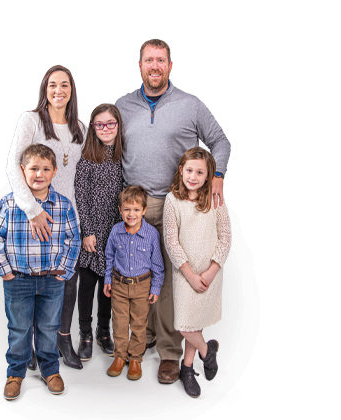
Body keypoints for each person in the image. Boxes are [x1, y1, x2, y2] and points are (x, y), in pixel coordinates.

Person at [115, 39, 232, 383]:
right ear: (140, 66)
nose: (155, 66)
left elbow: (221, 142)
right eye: (149, 60)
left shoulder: (189, 104)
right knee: (135, 273)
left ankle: (170, 352)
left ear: (170, 65)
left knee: (168, 281)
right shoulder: (123, 106)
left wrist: (218, 176)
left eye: (161, 60)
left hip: (174, 204)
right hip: (132, 205)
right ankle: (143, 337)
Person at [6, 65, 85, 369]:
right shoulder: (32, 121)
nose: (58, 91)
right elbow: (13, 165)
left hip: (68, 214)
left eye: (65, 85)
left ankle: (61, 339)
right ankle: (31, 346)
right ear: (45, 88)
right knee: (35, 280)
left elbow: (81, 174)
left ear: (71, 90)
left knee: (66, 279)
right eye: (53, 84)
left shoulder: (79, 126)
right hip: (36, 213)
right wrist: (32, 210)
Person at [0, 144, 81, 400]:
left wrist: (64, 271)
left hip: (52, 280)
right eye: (33, 169)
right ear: (22, 171)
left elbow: (73, 239)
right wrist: (5, 270)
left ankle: (50, 369)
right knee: (19, 328)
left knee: (48, 327)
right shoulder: (10, 203)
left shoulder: (63, 205)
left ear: (53, 172)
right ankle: (15, 373)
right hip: (17, 279)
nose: (38, 174)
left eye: (44, 169)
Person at [163, 147, 231, 398]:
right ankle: (207, 352)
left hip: (209, 272)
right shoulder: (173, 200)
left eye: (200, 172)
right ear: (181, 170)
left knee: (196, 321)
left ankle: (187, 368)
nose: (193, 176)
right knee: (184, 324)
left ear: (208, 175)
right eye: (189, 170)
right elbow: (171, 241)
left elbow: (225, 237)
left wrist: (213, 269)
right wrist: (190, 274)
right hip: (185, 272)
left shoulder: (215, 199)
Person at [73, 104, 124, 360]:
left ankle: (104, 331)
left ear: (118, 126)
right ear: (93, 128)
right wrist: (88, 231)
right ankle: (85, 333)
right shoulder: (87, 159)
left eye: (110, 124)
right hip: (92, 231)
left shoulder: (124, 156)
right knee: (88, 286)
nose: (105, 129)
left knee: (109, 286)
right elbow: (80, 197)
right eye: (100, 124)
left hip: (115, 232)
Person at [103, 186, 164, 380]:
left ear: (144, 210)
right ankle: (120, 355)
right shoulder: (116, 231)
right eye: (127, 209)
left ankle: (136, 358)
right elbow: (109, 257)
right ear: (120, 210)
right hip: (119, 284)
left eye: (136, 210)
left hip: (142, 286)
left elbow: (157, 264)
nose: (131, 214)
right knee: (119, 322)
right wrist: (107, 280)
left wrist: (155, 287)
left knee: (139, 324)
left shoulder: (151, 234)